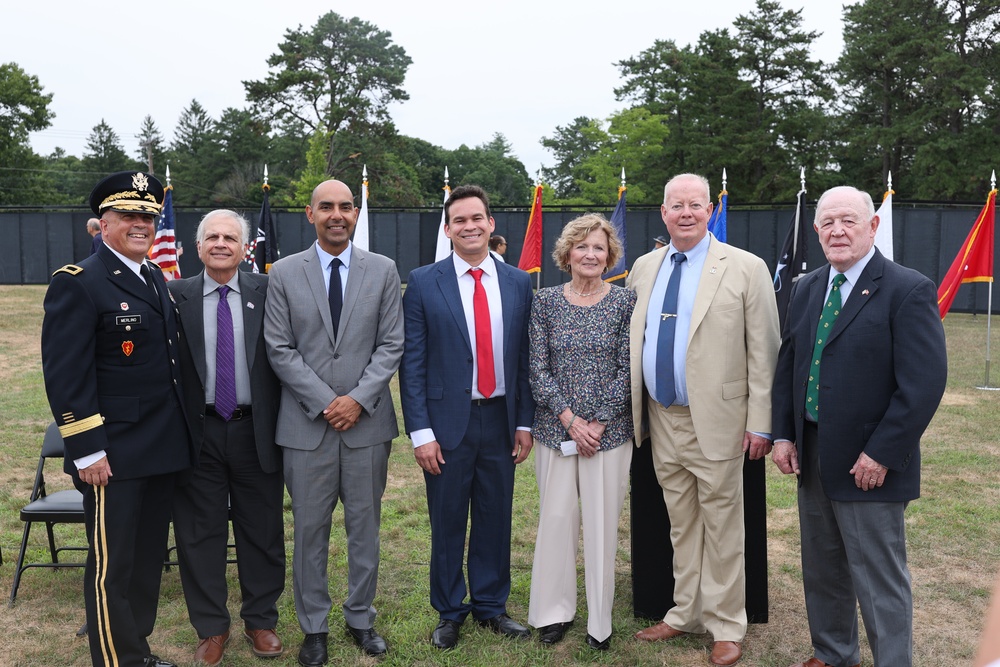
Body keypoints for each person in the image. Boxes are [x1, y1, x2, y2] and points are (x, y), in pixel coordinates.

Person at [771, 185, 947, 667]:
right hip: (812, 452)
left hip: (869, 462)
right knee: (823, 567)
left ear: (872, 227)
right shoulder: (807, 287)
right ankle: (832, 654)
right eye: (827, 222)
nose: (837, 230)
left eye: (848, 220)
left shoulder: (907, 288)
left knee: (878, 576)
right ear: (816, 231)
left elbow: (923, 385)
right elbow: (791, 364)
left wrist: (882, 453)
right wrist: (784, 433)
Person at [41, 171, 192, 667]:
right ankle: (116, 660)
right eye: (128, 215)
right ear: (102, 223)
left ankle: (137, 650)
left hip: (160, 451)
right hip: (113, 456)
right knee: (113, 566)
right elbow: (67, 377)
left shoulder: (152, 277)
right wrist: (86, 450)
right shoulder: (78, 284)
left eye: (147, 216)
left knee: (147, 563)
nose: (141, 224)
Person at [628, 173, 779, 666]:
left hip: (720, 420)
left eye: (696, 204)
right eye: (677, 206)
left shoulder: (745, 267)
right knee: (681, 524)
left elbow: (765, 353)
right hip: (660, 418)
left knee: (723, 526)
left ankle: (726, 623)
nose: (686, 213)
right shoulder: (644, 267)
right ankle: (684, 612)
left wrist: (761, 421)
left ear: (711, 209)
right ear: (663, 212)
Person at [263, 179, 403, 665]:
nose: (337, 214)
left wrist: (357, 401)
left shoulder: (383, 270)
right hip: (306, 427)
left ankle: (361, 617)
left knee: (364, 527)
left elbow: (391, 344)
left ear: (356, 213)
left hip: (367, 426)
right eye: (327, 207)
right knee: (310, 530)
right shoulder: (282, 272)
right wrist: (327, 402)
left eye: (346, 206)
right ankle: (314, 626)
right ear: (310, 213)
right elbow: (278, 348)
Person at [399, 184, 535, 650]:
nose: (470, 226)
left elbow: (523, 359)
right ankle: (450, 610)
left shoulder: (518, 282)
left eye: (478, 218)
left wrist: (525, 422)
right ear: (448, 228)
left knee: (496, 517)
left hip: (501, 419)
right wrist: (420, 432)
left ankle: (492, 606)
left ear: (491, 223)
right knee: (448, 518)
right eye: (460, 220)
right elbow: (412, 363)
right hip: (446, 423)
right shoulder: (423, 281)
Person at [168, 210, 285, 666]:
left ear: (243, 247)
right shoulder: (174, 295)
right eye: (212, 237)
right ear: (198, 248)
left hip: (256, 430)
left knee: (262, 530)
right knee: (200, 534)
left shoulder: (267, 290)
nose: (221, 243)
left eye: (230, 237)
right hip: (197, 434)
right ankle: (211, 628)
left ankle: (261, 621)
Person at [525, 214, 636, 651]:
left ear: (610, 256)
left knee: (602, 524)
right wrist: (571, 420)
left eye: (599, 248)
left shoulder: (626, 302)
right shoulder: (546, 302)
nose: (591, 255)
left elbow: (629, 366)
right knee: (556, 522)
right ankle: (554, 613)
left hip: (609, 435)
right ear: (566, 254)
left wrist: (599, 422)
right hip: (556, 431)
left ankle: (599, 621)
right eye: (582, 247)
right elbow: (538, 367)